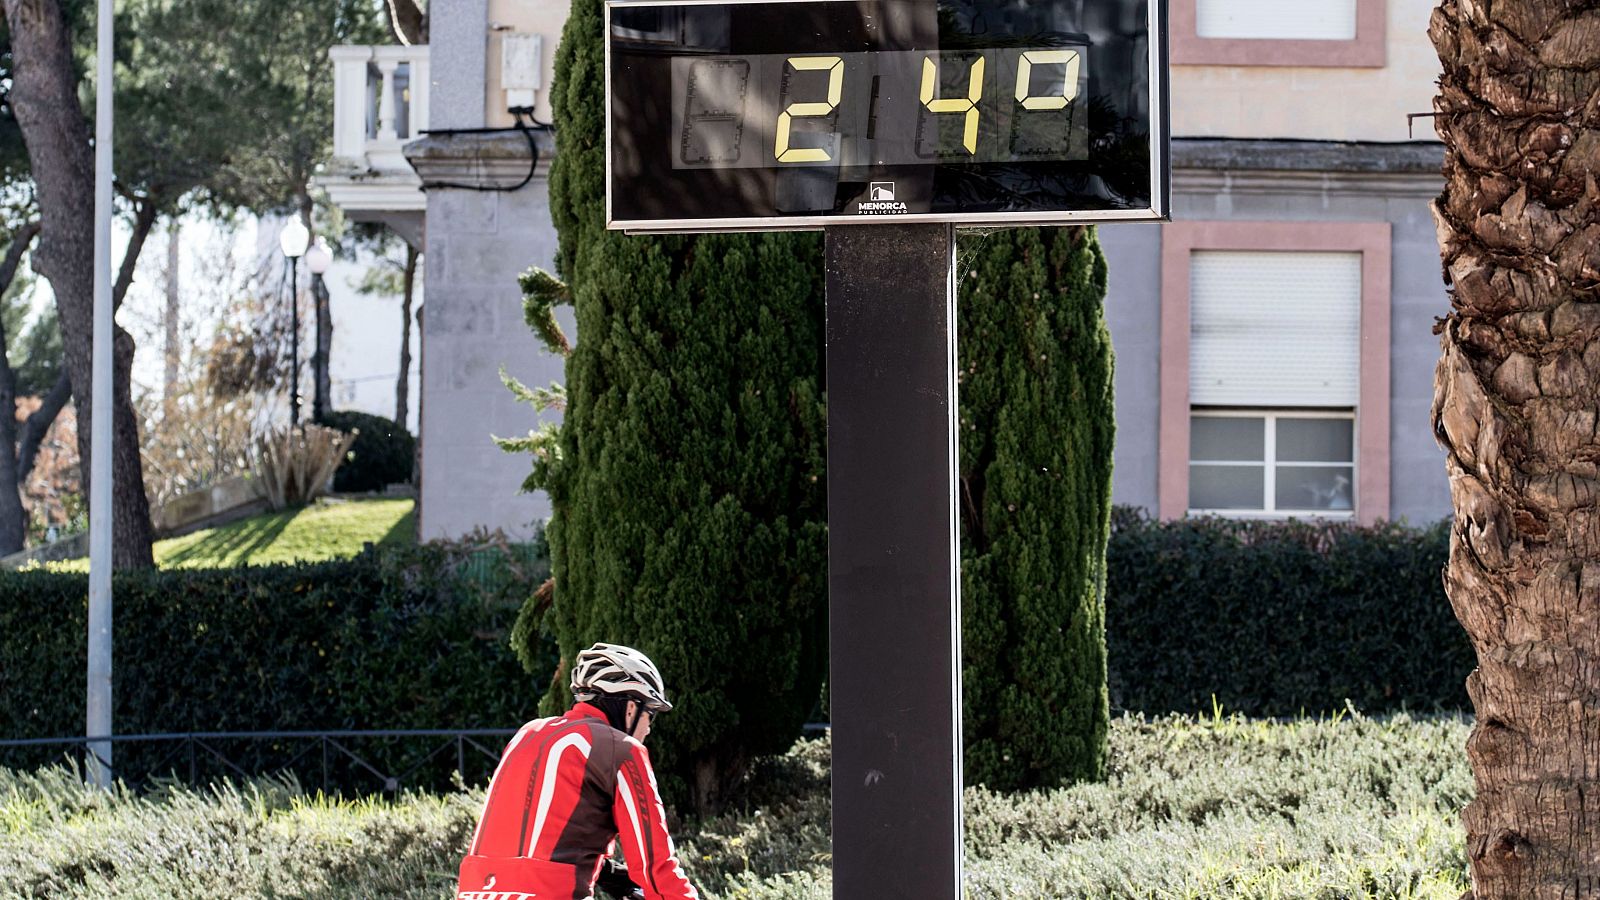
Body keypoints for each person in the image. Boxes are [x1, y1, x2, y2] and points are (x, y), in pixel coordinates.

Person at [457, 642, 701, 900]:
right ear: (632, 707)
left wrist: (610, 874)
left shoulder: (527, 735)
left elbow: (532, 840)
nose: (649, 728)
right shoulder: (622, 750)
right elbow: (655, 867)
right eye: (650, 714)